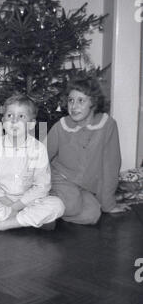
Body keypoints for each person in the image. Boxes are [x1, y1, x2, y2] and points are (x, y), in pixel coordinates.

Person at [0, 94, 65, 236]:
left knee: (58, 205)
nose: (14, 121)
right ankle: (32, 220)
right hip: (1, 200)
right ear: (2, 121)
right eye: (9, 115)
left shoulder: (38, 148)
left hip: (30, 200)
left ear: (32, 124)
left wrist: (19, 206)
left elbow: (42, 186)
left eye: (21, 117)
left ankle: (0, 226)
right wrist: (9, 204)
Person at [47, 76, 130, 225]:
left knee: (92, 215)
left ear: (93, 102)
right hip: (59, 178)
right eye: (71, 100)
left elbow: (111, 165)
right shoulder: (61, 126)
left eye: (81, 100)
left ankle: (49, 212)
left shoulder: (107, 125)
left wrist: (108, 204)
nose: (74, 106)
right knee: (72, 205)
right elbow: (42, 157)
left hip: (84, 186)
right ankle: (41, 205)